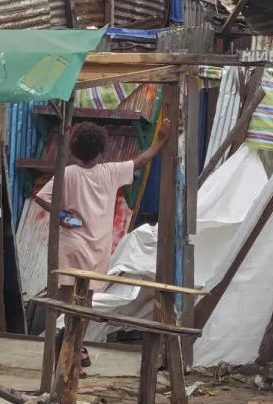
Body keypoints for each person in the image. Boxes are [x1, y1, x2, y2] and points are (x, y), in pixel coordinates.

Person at [33, 112, 170, 286]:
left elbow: (40, 198)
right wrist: (160, 140)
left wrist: (62, 216)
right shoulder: (111, 172)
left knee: (68, 298)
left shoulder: (68, 173)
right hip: (98, 248)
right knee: (88, 300)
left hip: (71, 244)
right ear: (101, 149)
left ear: (74, 149)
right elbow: (141, 160)